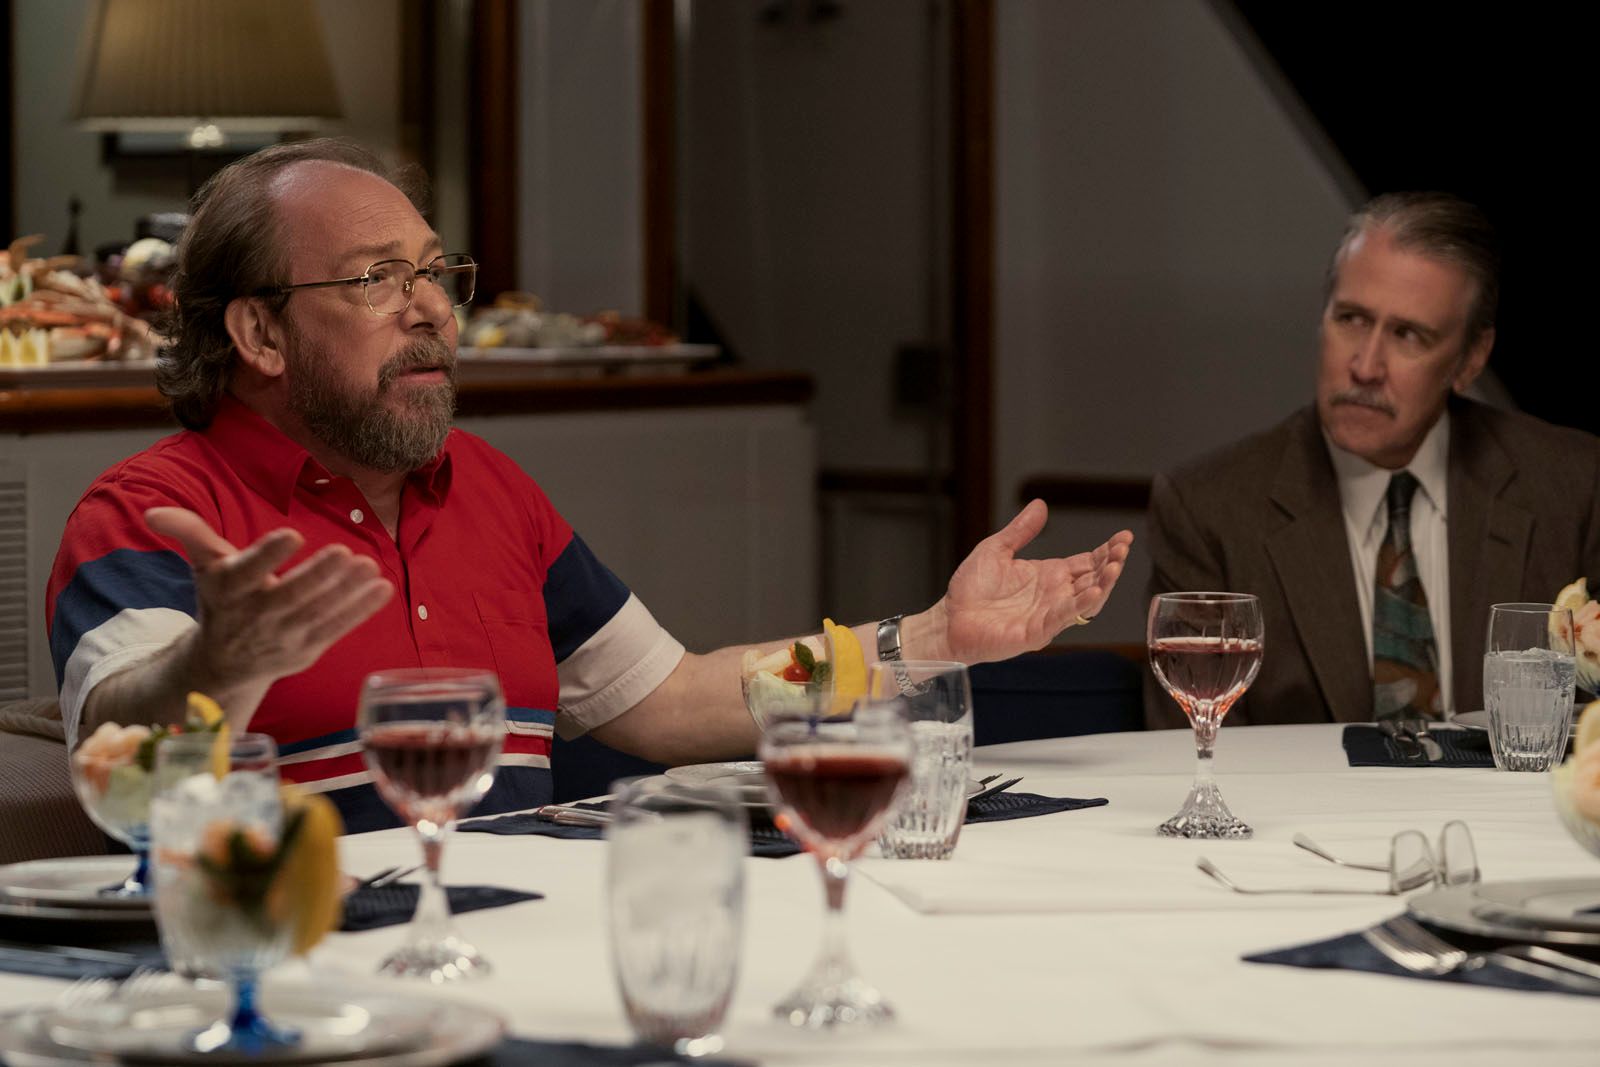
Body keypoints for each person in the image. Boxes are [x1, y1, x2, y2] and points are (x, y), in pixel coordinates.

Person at [47, 139, 1133, 832]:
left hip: (522, 952)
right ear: (259, 332)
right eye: (377, 278)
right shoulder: (148, 513)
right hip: (290, 975)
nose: (431, 309)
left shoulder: (490, 489)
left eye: (436, 272)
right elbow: (120, 780)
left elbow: (675, 698)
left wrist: (929, 637)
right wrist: (219, 663)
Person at [1145, 191, 1600, 729]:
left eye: (1408, 335)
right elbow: (1194, 750)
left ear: (1470, 359)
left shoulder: (1573, 484)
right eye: (1352, 319)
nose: (1365, 366)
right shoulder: (1209, 508)